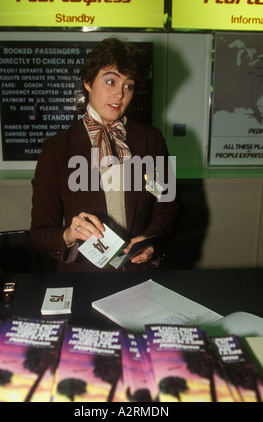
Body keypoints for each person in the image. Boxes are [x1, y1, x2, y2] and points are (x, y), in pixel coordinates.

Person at [30, 37, 179, 272]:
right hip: (83, 278)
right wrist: (69, 234)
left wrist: (152, 241)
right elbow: (39, 233)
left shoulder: (151, 140)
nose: (120, 94)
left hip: (138, 274)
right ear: (88, 81)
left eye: (128, 86)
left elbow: (167, 205)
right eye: (110, 81)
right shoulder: (56, 150)